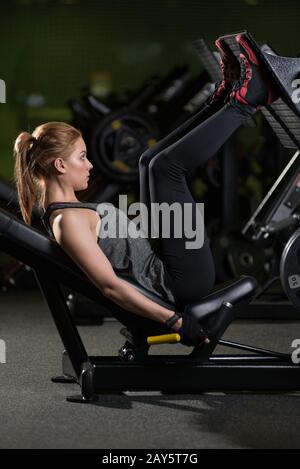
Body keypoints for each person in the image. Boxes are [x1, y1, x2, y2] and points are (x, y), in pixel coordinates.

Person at [13, 34, 279, 350]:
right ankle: (247, 100)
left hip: (167, 263)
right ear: (59, 165)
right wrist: (175, 321)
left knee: (150, 162)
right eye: (82, 157)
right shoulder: (66, 222)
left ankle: (224, 97)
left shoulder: (66, 210)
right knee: (167, 169)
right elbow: (110, 287)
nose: (90, 165)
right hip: (177, 281)